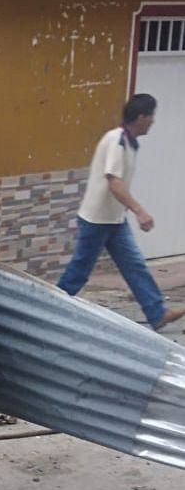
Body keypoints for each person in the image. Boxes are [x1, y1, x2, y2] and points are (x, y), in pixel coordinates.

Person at [57, 94, 185, 330]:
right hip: (96, 220)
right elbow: (113, 181)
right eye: (151, 116)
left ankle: (157, 313)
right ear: (140, 117)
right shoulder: (116, 141)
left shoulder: (129, 143)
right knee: (79, 271)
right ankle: (52, 309)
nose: (153, 122)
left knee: (134, 265)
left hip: (114, 219)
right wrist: (139, 210)